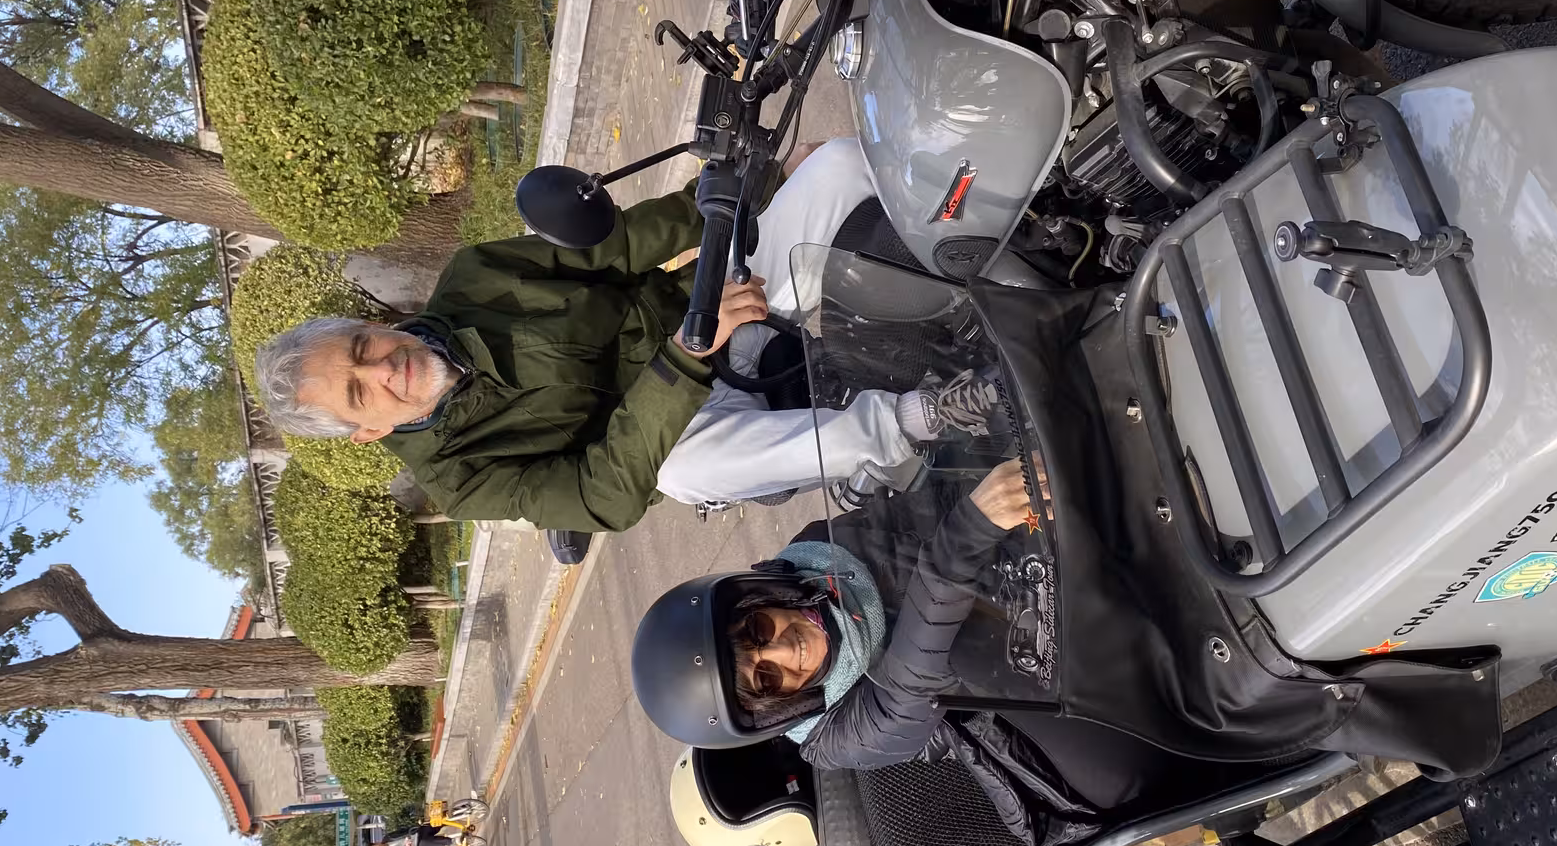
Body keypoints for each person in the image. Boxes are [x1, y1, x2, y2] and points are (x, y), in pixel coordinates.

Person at [253, 140, 1002, 548]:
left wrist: (744, 192)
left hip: (713, 312)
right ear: (366, 432)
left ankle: (1002, 205)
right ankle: (923, 418)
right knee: (684, 472)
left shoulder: (473, 277)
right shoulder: (458, 478)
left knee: (832, 166)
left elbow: (613, 249)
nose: (383, 368)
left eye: (362, 347)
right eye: (359, 392)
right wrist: (684, 356)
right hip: (683, 419)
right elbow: (602, 496)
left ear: (370, 325)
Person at [631, 459, 1261, 846]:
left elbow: (913, 507)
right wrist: (965, 535)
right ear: (773, 712)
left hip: (1012, 580)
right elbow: (909, 690)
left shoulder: (816, 552)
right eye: (767, 680)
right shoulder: (832, 738)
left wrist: (957, 419)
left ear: (753, 595)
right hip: (1012, 699)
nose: (784, 651)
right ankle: (1255, 741)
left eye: (756, 630)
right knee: (1131, 771)